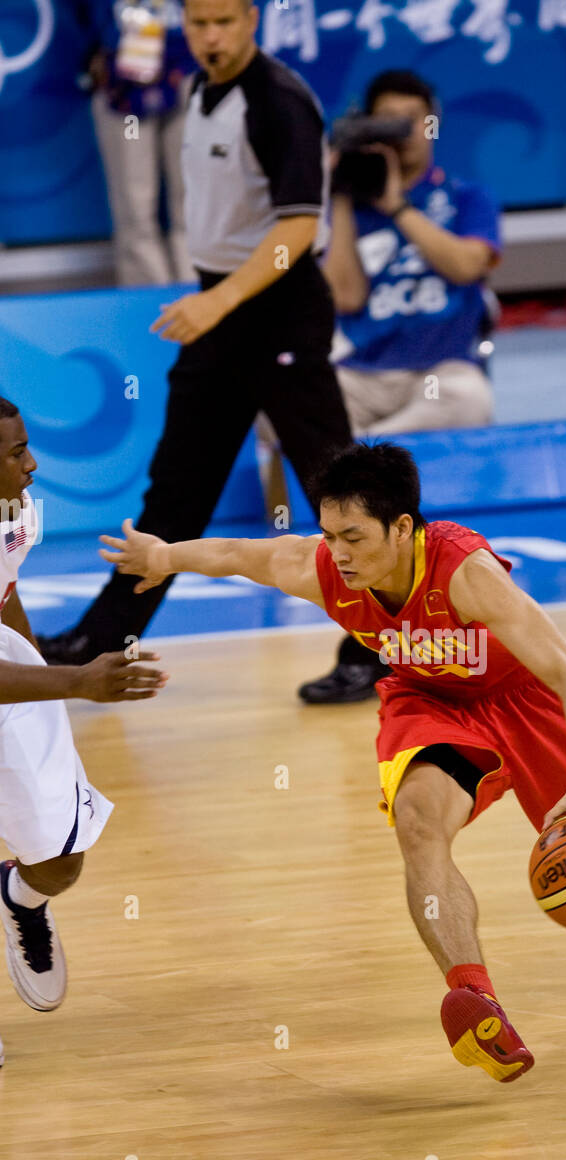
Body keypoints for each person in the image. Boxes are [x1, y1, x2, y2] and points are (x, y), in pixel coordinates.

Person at [99, 440, 566, 1086]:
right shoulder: (324, 569)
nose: (339, 553)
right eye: (329, 535)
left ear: (402, 527)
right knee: (417, 822)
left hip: (535, 699)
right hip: (433, 701)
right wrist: (163, 554)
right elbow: (239, 554)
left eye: (353, 536)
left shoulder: (465, 573)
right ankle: (477, 1001)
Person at [40, 0, 383, 707]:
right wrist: (214, 305)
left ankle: (383, 646)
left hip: (278, 314)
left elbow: (296, 228)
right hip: (220, 316)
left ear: (252, 18)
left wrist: (218, 303)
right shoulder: (198, 89)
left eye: (224, 22)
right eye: (198, 24)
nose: (211, 37)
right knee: (177, 493)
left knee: (339, 490)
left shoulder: (281, 101)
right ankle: (106, 637)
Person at [0, 399, 167, 1067]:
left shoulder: (19, 510)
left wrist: (43, 682)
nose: (32, 464)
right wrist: (78, 681)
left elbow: (5, 592)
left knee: (61, 861)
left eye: (26, 446)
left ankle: (19, 895)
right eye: (16, 454)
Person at [326, 70, 501, 435]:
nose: (403, 130)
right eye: (389, 119)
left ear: (432, 125)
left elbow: (467, 267)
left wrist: (396, 206)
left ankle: (369, 449)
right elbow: (346, 298)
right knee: (300, 404)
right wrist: (340, 193)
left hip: (440, 372)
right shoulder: (351, 210)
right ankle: (379, 448)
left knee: (469, 399)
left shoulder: (466, 197)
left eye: (413, 119)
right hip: (364, 375)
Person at [82, 0, 197, 286]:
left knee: (193, 196)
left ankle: (197, 288)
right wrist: (100, 46)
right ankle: (149, 302)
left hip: (186, 70)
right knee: (135, 202)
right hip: (124, 81)